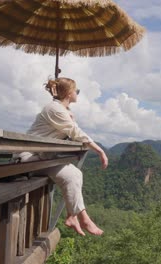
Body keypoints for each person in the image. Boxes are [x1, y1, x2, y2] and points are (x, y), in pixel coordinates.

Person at [18, 77, 108, 236]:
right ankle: (83, 219)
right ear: (68, 93)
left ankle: (72, 216)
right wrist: (99, 150)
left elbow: (73, 130)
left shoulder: (62, 111)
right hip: (27, 158)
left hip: (41, 158)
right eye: (76, 91)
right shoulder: (54, 109)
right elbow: (76, 133)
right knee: (72, 176)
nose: (77, 94)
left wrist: (71, 117)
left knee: (75, 174)